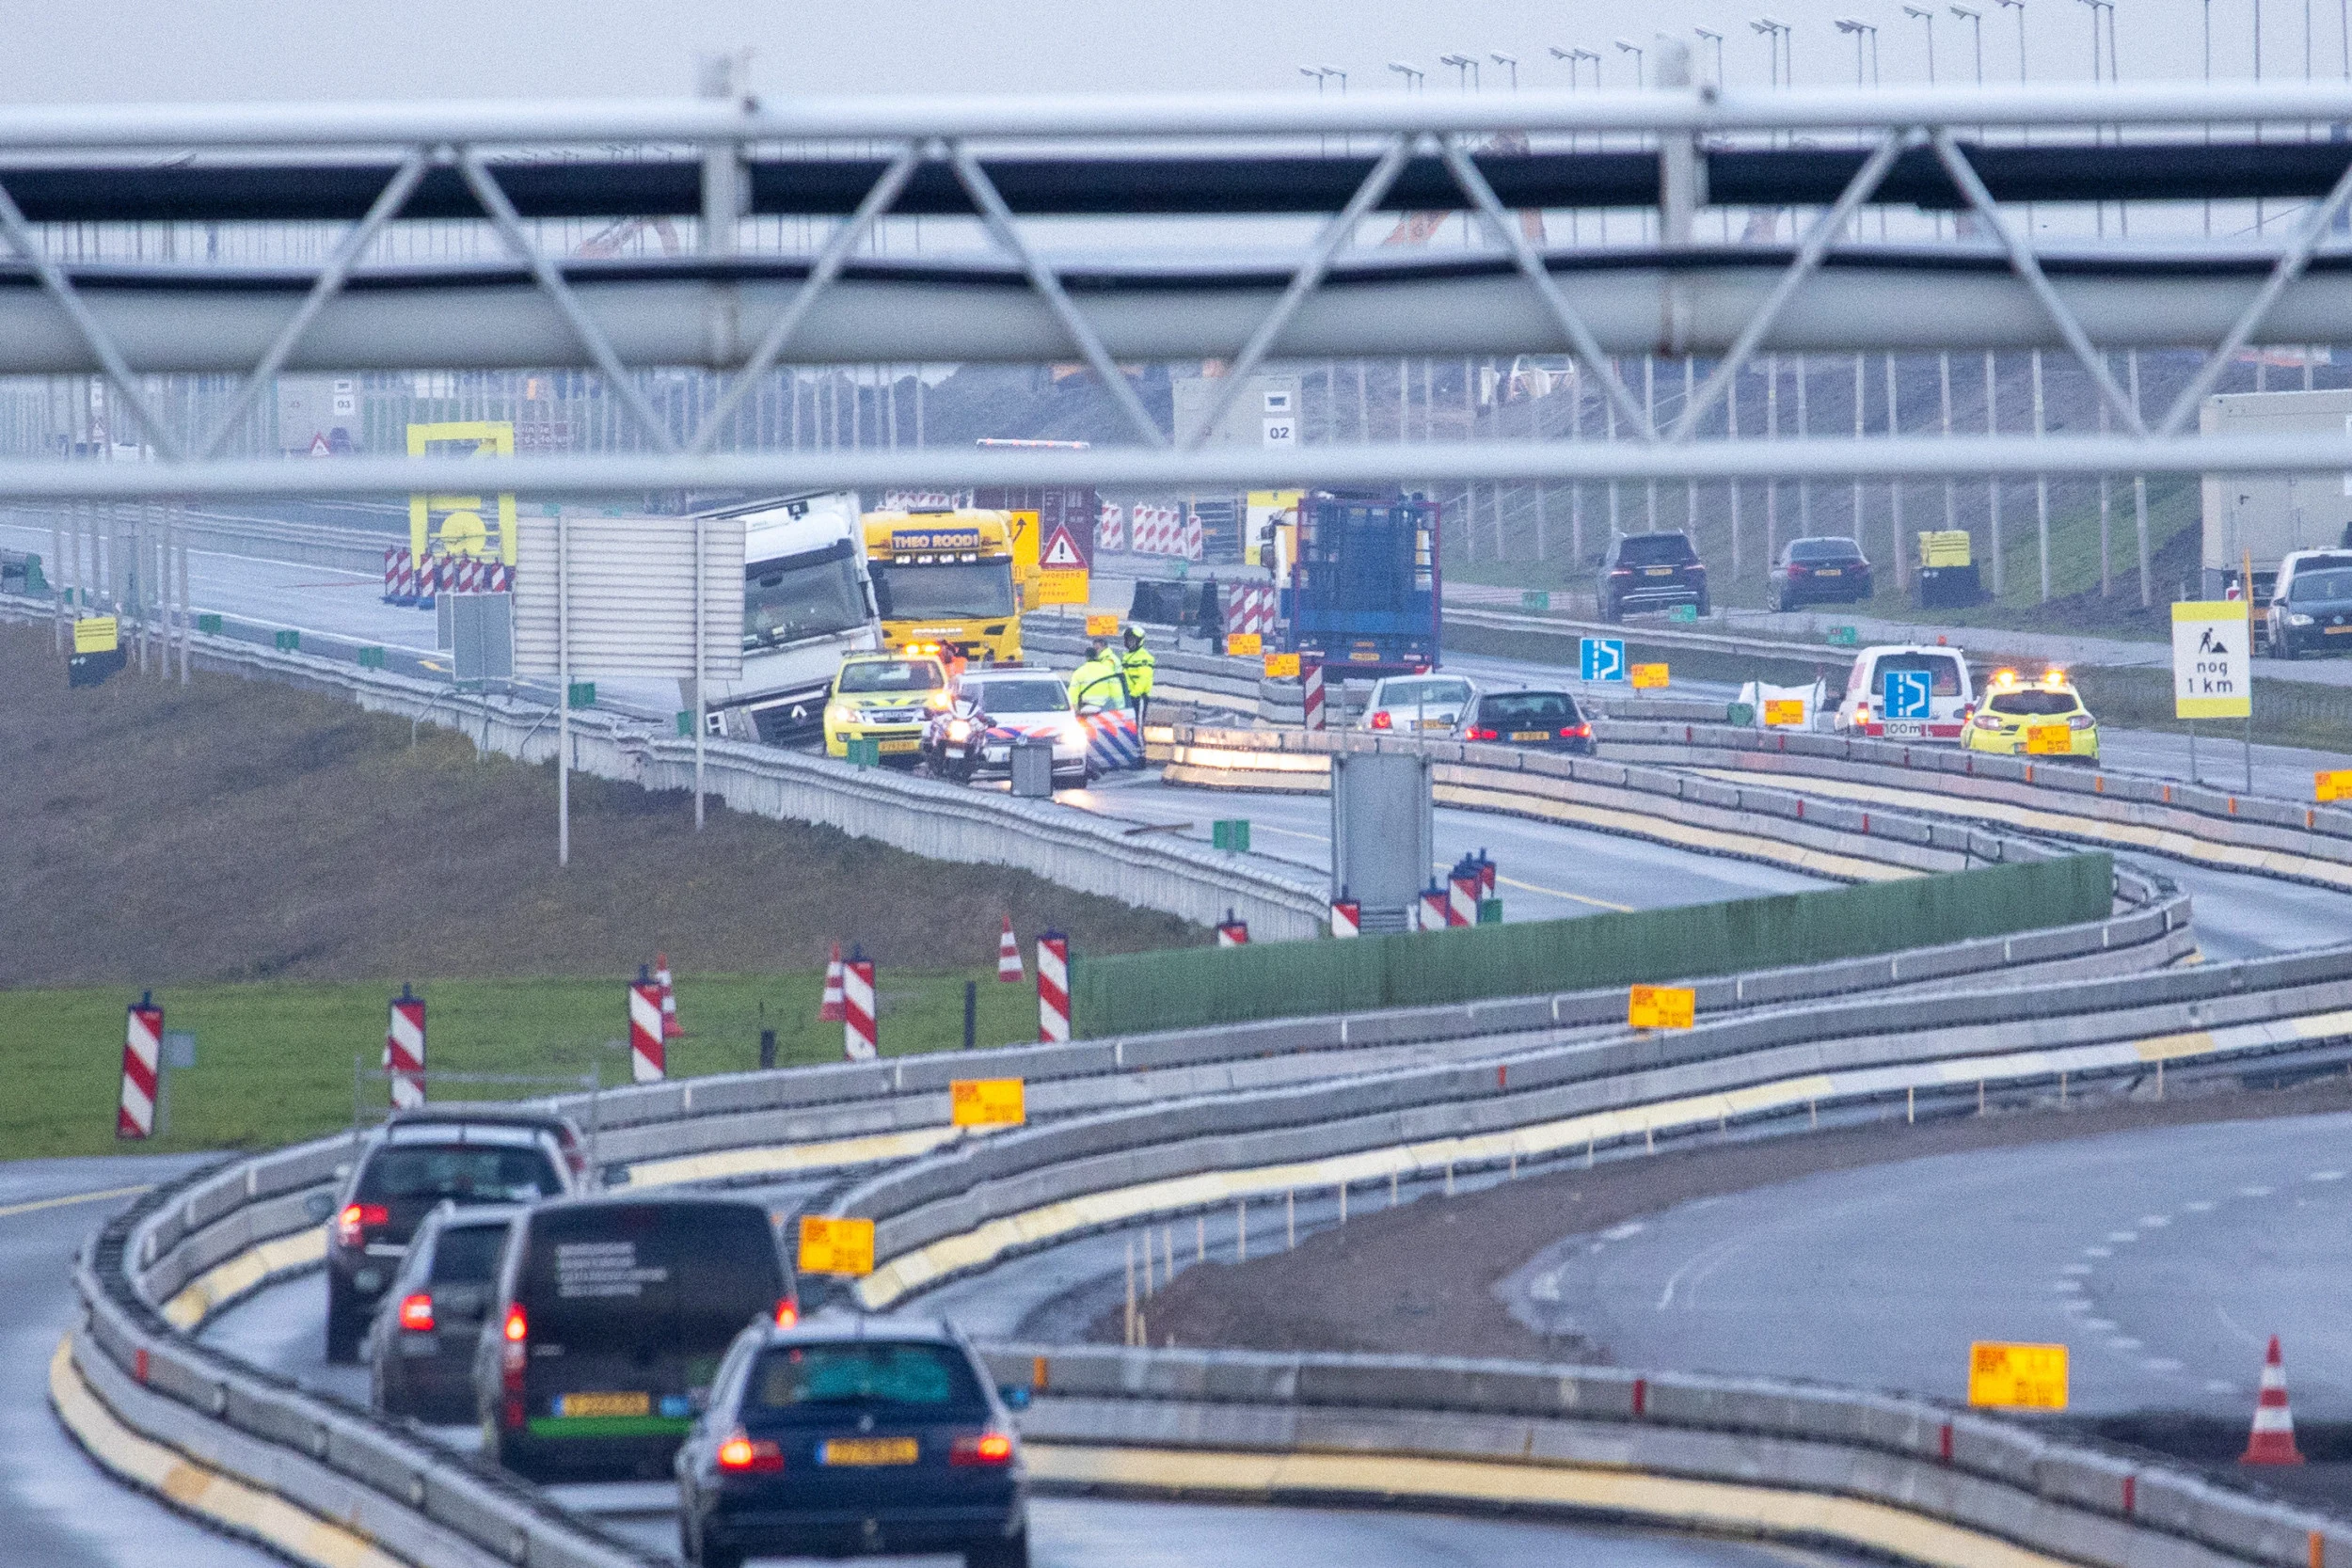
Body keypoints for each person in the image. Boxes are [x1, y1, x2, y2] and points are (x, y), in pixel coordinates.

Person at [1069, 640, 1129, 711]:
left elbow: (1073, 693)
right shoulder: (1108, 670)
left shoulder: (1078, 672)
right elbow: (1116, 691)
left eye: (1097, 648)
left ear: (1086, 657)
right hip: (1105, 708)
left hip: (1086, 708)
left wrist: (1074, 709)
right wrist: (1120, 708)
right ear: (1096, 656)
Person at [1118, 626, 1156, 725]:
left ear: (1139, 641)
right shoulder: (1127, 656)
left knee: (1137, 726)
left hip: (1138, 698)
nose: (1130, 643)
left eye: (1133, 640)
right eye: (1128, 640)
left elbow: (1144, 679)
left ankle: (1140, 742)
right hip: (1127, 697)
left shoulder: (1144, 657)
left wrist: (1134, 695)